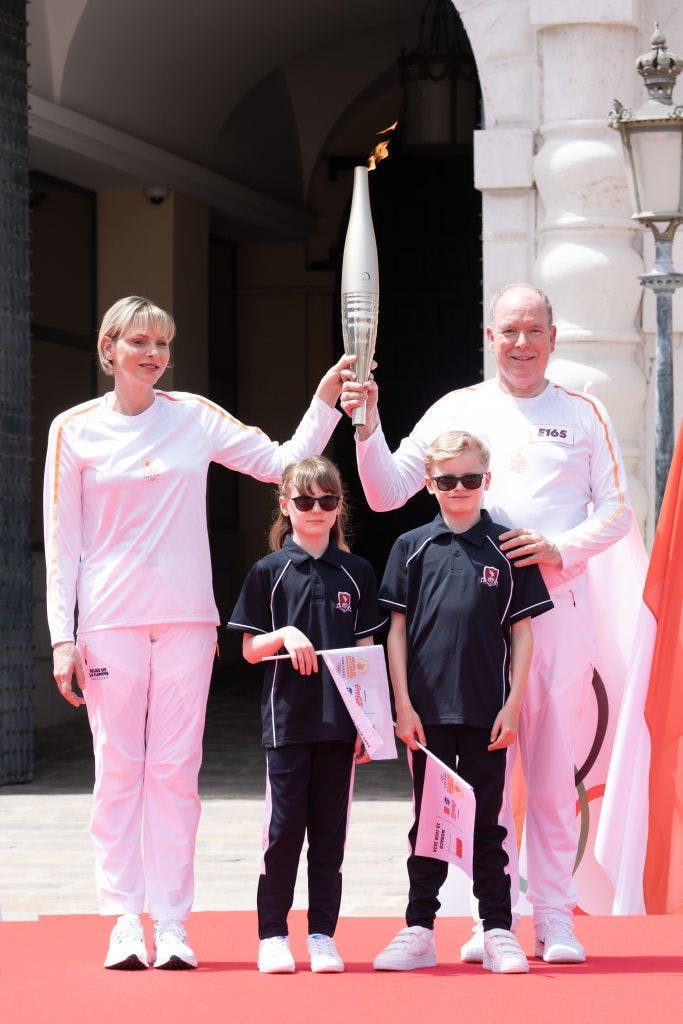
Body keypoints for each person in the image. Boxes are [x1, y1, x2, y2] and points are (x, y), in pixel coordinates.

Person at [44, 296, 352, 971]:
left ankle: (175, 923)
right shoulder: (74, 430)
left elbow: (281, 462)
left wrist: (325, 402)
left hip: (187, 619)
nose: (152, 354)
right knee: (119, 771)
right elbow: (61, 537)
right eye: (138, 342)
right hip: (108, 620)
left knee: (177, 774)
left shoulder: (194, 419)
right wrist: (61, 637)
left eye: (162, 343)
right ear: (109, 347)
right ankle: (126, 918)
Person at [341, 283, 632, 963]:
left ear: (552, 338)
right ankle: (489, 915)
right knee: (479, 775)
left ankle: (554, 916)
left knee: (552, 771)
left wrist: (560, 548)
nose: (521, 343)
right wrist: (366, 426)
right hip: (470, 627)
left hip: (553, 613)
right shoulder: (458, 408)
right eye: (508, 331)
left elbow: (616, 511)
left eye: (533, 330)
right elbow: (385, 492)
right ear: (489, 337)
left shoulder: (583, 414)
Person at [373, 431, 553, 974]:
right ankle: (419, 928)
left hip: (485, 712)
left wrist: (513, 705)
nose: (459, 489)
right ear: (429, 484)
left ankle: (498, 928)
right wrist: (402, 704)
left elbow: (522, 634)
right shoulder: (411, 547)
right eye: (447, 480)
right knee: (428, 821)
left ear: (486, 481)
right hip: (426, 715)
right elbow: (395, 632)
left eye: (470, 479)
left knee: (487, 826)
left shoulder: (509, 546)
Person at [227, 456, 387, 974]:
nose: (315, 511)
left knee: (330, 834)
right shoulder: (269, 572)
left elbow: (365, 651)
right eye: (304, 501)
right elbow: (250, 649)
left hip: (340, 727)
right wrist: (285, 635)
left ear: (340, 506)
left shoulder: (357, 572)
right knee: (283, 831)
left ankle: (322, 935)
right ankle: (273, 933)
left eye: (327, 501)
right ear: (285, 506)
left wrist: (370, 725)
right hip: (288, 723)